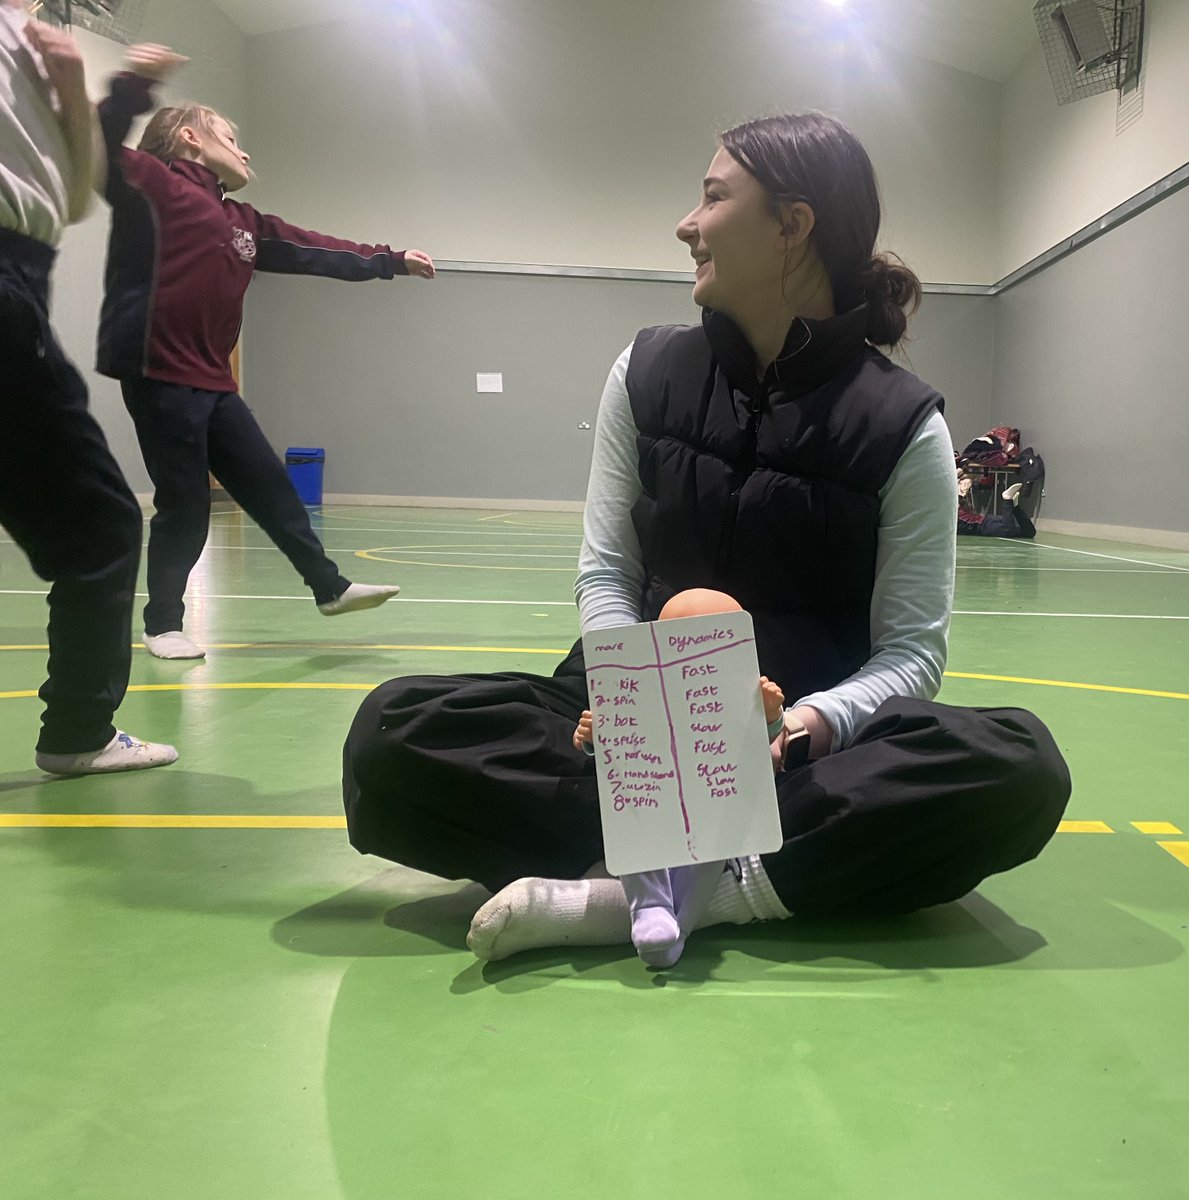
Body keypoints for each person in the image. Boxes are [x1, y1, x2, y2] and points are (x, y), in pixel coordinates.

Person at [342, 112, 1071, 963]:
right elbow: (607, 571)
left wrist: (792, 730)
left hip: (793, 752)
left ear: (791, 228)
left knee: (1017, 768)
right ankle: (744, 874)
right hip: (619, 733)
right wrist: (626, 709)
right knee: (393, 731)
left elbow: (909, 654)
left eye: (713, 197)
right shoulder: (644, 372)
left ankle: (663, 893)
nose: (687, 225)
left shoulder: (903, 424)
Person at [95, 44, 437, 660]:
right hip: (158, 370)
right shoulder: (154, 185)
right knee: (185, 503)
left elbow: (315, 249)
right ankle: (163, 623)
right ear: (191, 139)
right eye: (232, 137)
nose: (245, 150)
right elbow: (98, 145)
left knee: (271, 487)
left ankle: (329, 589)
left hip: (213, 380)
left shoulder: (243, 220)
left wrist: (390, 261)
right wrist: (134, 84)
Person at [1, 4, 176, 774]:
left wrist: (76, 87)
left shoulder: (36, 45)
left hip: (25, 275)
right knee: (102, 528)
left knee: (101, 527)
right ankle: (77, 732)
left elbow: (74, 201)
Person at [572, 587, 804, 968]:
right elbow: (612, 747)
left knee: (708, 856)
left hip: (716, 801)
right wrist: (593, 736)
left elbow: (760, 739)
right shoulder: (639, 686)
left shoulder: (739, 688)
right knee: (636, 835)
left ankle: (679, 925)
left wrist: (771, 714)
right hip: (649, 791)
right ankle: (649, 907)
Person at [957, 474, 1036, 538]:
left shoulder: (956, 512)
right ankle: (1015, 506)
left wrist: (961, 489)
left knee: (1009, 530)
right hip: (988, 521)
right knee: (1029, 532)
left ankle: (1007, 499)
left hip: (983, 525)